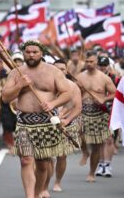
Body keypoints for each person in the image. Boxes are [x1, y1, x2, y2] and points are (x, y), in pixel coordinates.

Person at [2, 40, 72, 198]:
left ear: (42, 53)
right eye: (28, 52)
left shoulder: (53, 72)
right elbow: (5, 98)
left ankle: (37, 192)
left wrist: (53, 103)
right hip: (24, 122)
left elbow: (67, 93)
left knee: (42, 165)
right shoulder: (16, 72)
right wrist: (19, 85)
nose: (31, 55)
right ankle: (30, 196)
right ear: (23, 53)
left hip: (46, 123)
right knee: (26, 160)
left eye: (35, 52)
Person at [76, 51, 116, 182]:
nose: (88, 64)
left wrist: (104, 99)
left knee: (97, 146)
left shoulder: (104, 78)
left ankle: (92, 173)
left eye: (91, 61)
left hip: (99, 114)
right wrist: (78, 88)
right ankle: (84, 152)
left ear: (97, 62)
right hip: (83, 112)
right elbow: (72, 94)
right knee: (77, 131)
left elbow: (115, 94)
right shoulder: (80, 77)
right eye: (87, 61)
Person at [45, 59, 82, 193]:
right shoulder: (46, 85)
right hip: (47, 124)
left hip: (66, 123)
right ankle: (44, 185)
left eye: (62, 69)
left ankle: (57, 182)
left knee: (62, 156)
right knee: (46, 156)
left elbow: (78, 108)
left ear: (66, 71)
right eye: (57, 69)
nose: (60, 71)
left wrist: (67, 120)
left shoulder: (73, 86)